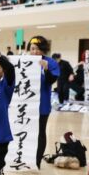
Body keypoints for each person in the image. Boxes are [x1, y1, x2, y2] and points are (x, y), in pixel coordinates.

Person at [27, 36, 59, 168]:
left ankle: (37, 161)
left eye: (37, 49)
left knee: (40, 133)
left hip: (42, 105)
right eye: (32, 49)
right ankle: (26, 159)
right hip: (27, 104)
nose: (34, 52)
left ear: (43, 50)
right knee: (26, 132)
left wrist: (45, 69)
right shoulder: (25, 61)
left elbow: (52, 80)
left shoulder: (50, 62)